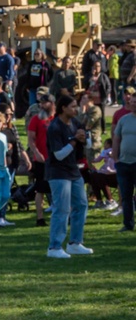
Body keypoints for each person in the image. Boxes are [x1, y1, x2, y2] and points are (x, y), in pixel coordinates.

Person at [46, 93, 92, 259]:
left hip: (73, 170)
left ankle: (75, 243)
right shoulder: (55, 127)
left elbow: (88, 143)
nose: (76, 109)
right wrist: (74, 140)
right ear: (63, 108)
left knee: (81, 205)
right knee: (62, 209)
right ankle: (54, 247)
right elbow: (58, 154)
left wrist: (84, 138)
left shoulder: (76, 123)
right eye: (72, 106)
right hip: (58, 173)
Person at [26, 92, 54, 228]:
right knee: (40, 189)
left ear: (52, 104)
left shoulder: (57, 119)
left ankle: (63, 215)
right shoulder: (36, 119)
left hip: (57, 159)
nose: (42, 105)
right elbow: (31, 139)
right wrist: (36, 153)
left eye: (45, 102)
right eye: (41, 103)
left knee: (60, 189)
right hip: (41, 160)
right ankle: (40, 218)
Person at [112, 93, 136, 232]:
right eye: (132, 101)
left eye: (135, 102)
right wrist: (115, 158)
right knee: (126, 197)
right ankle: (128, 224)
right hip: (124, 164)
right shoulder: (123, 119)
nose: (133, 104)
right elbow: (116, 138)